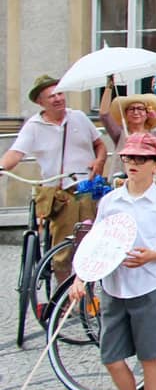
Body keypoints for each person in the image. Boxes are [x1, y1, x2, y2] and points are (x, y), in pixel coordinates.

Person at [68, 132, 156, 390]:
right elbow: (96, 242)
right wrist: (80, 278)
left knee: (150, 356)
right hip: (114, 286)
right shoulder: (111, 201)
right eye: (129, 158)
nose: (133, 163)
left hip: (147, 285)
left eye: (141, 159)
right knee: (111, 356)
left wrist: (151, 256)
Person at [0, 74, 107, 282]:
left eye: (60, 93)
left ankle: (87, 290)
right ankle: (62, 292)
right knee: (63, 250)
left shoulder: (79, 117)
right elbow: (15, 153)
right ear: (40, 102)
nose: (58, 98)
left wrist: (99, 161)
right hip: (60, 193)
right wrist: (2, 167)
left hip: (86, 187)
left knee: (90, 244)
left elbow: (99, 144)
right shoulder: (34, 126)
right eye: (51, 96)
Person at [99, 89, 156, 175]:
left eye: (140, 108)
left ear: (147, 113)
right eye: (131, 109)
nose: (136, 112)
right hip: (121, 178)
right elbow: (104, 115)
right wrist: (109, 88)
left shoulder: (154, 136)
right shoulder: (120, 133)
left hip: (146, 178)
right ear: (125, 114)